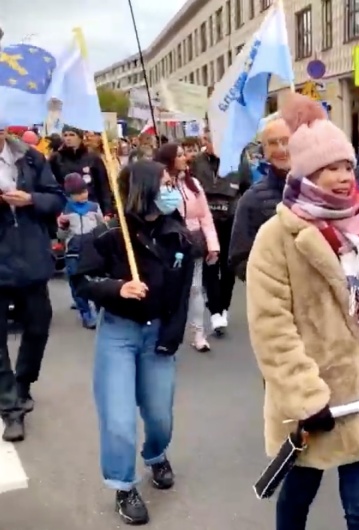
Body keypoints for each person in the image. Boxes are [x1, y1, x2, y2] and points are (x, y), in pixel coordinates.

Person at [246, 94, 359, 530]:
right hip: (312, 404)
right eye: (330, 168)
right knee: (298, 498)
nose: (342, 177)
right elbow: (272, 328)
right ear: (306, 173)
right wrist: (307, 397)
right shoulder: (276, 237)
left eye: (345, 166)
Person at [71, 160, 193, 525]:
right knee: (118, 420)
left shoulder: (179, 234)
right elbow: (83, 278)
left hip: (159, 334)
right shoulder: (111, 231)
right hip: (119, 334)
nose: (173, 189)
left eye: (175, 182)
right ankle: (124, 485)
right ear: (144, 188)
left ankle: (156, 455)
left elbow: (183, 293)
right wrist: (117, 288)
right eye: (166, 183)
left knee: (160, 418)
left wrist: (172, 336)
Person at [0, 128, 65, 442]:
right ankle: (10, 407)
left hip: (31, 259)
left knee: (38, 326)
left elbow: (56, 199)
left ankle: (22, 384)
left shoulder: (31, 157)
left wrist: (31, 200)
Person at [155, 143, 219, 352]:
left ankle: (198, 334)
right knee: (167, 288)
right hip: (167, 242)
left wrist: (212, 244)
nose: (185, 158)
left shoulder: (194, 185)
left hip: (192, 241)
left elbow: (205, 216)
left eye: (184, 154)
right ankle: (164, 333)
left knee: (195, 289)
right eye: (179, 155)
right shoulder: (159, 184)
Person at [191, 133, 250, 335]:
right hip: (207, 219)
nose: (210, 144)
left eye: (215, 139)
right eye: (207, 140)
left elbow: (246, 186)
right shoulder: (197, 162)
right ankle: (215, 310)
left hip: (231, 217)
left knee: (228, 266)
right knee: (210, 263)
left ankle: (223, 307)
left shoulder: (238, 158)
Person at [228, 118, 291, 281]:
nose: (281, 149)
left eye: (286, 141)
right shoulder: (252, 200)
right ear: (264, 149)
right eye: (272, 143)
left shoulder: (322, 190)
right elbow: (239, 259)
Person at [57, 172, 106, 329]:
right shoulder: (65, 211)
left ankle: (100, 311)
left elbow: (101, 226)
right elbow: (61, 235)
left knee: (97, 279)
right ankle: (85, 312)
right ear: (69, 195)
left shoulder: (93, 207)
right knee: (76, 281)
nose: (82, 195)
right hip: (74, 250)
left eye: (84, 191)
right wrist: (62, 226)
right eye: (77, 194)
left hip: (93, 248)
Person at [49, 125, 113, 216]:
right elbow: (51, 184)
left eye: (72, 135)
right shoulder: (56, 158)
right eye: (65, 135)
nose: (68, 138)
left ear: (80, 137)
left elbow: (103, 186)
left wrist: (107, 211)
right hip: (67, 208)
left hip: (91, 207)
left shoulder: (93, 158)